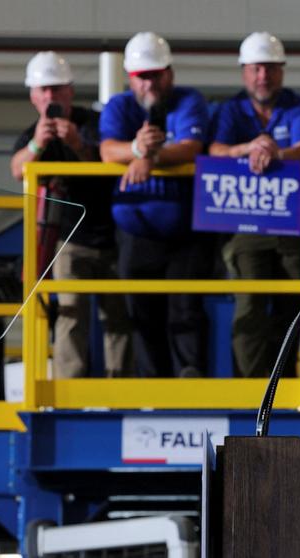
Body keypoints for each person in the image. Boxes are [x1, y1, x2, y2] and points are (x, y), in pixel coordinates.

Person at [11, 51, 131, 378]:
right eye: (44, 90)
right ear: (34, 96)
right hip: (67, 241)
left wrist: (78, 144)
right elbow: (18, 170)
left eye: (57, 89)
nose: (51, 97)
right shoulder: (33, 135)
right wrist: (38, 143)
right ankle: (69, 390)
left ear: (70, 91)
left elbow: (108, 161)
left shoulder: (93, 123)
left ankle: (119, 390)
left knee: (118, 317)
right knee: (69, 313)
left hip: (110, 235)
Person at [100, 32, 212, 377]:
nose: (149, 82)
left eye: (155, 74)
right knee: (142, 313)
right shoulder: (119, 106)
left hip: (186, 233)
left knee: (187, 310)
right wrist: (137, 150)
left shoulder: (188, 100)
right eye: (141, 76)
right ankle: (153, 388)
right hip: (135, 232)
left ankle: (190, 381)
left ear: (169, 73)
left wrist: (151, 156)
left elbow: (191, 146)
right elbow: (107, 152)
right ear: (131, 78)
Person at [209, 32, 300, 377]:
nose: (263, 77)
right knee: (250, 305)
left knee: (294, 305)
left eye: (270, 69)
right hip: (244, 227)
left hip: (289, 224)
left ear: (281, 71)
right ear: (244, 72)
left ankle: (284, 384)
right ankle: (251, 387)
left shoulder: (297, 107)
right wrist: (248, 148)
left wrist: (274, 152)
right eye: (256, 69)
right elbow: (215, 150)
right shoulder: (229, 110)